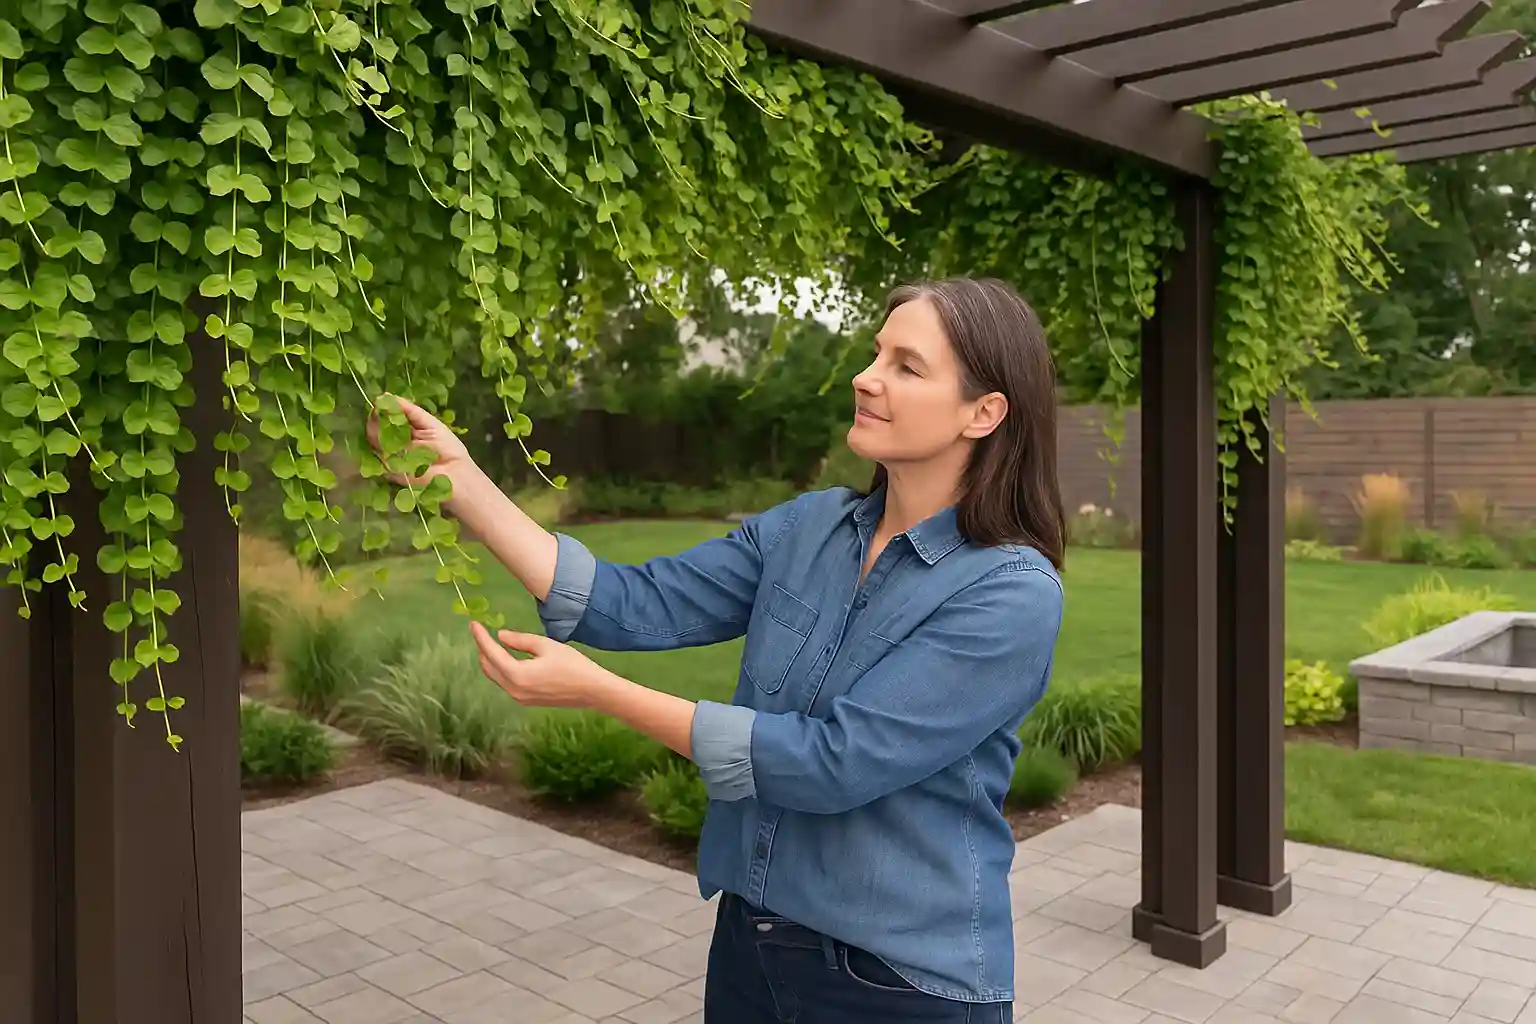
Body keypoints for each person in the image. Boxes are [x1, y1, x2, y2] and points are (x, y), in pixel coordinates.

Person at [370, 276, 1067, 1024]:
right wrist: (463, 483)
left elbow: (832, 763)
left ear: (984, 412)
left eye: (907, 365)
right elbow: (634, 603)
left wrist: (603, 692)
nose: (866, 378)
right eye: (875, 355)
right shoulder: (809, 529)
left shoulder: (1009, 593)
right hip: (752, 945)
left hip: (900, 986)